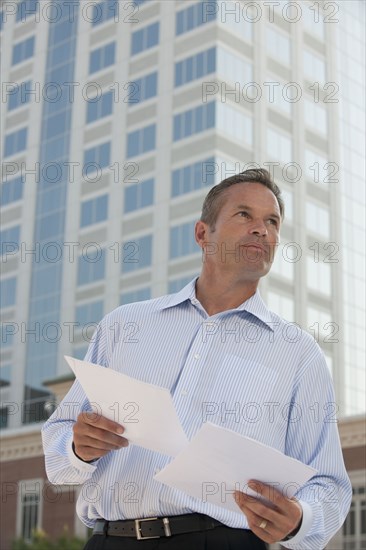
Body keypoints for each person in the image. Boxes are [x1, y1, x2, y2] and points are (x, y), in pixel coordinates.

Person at [42, 168, 351, 549]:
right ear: (203, 234)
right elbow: (59, 446)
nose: (262, 230)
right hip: (110, 539)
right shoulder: (124, 326)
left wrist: (300, 519)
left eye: (272, 222)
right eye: (245, 215)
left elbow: (330, 485)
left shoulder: (298, 354)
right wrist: (76, 447)